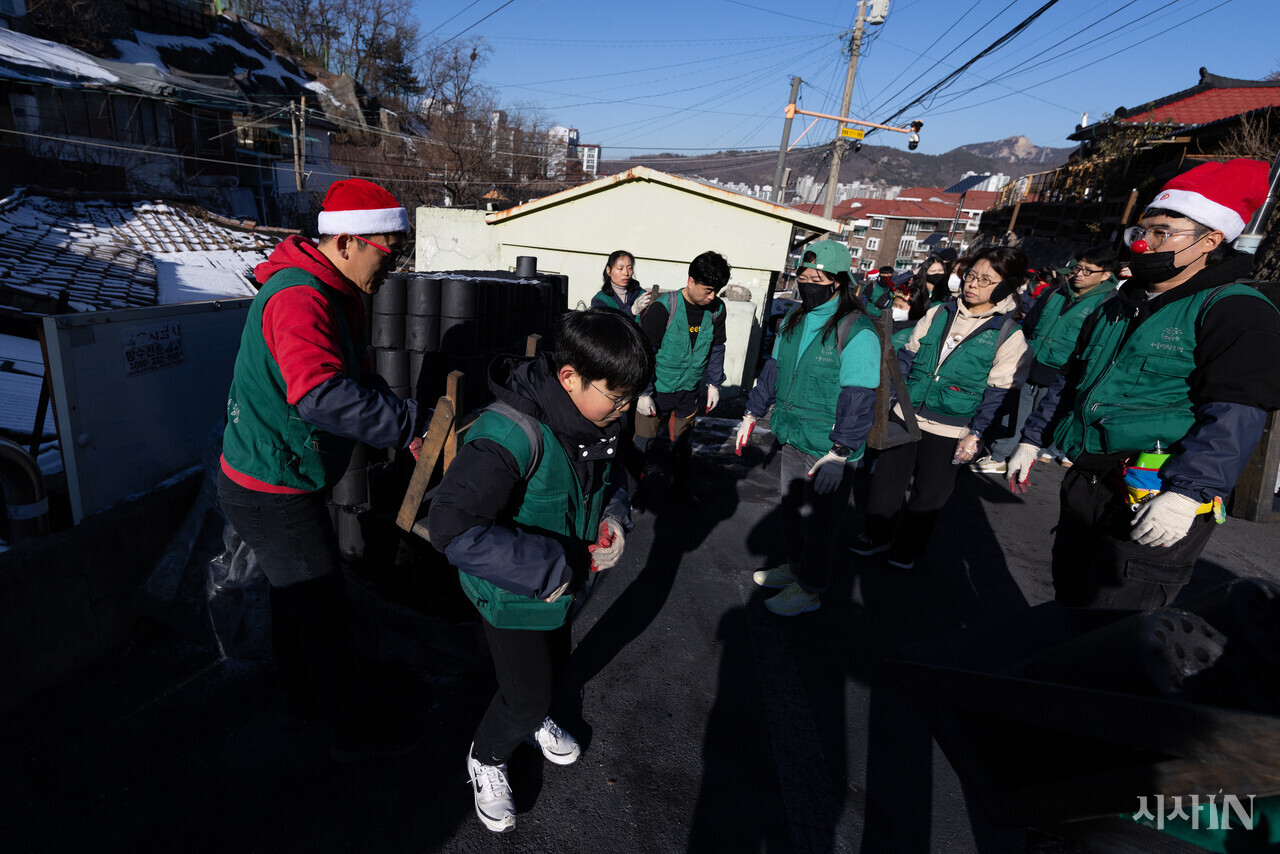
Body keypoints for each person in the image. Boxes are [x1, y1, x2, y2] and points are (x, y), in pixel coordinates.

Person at [1008, 159, 1280, 609]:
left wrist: (1187, 493)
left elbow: (1236, 412)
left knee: (1120, 611)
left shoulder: (1235, 310)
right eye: (1142, 231)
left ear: (1211, 240)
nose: (1144, 243)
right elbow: (1075, 378)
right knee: (1070, 591)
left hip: (1156, 489)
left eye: (1162, 234)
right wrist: (1032, 439)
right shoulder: (1116, 305)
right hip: (1088, 476)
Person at [216, 178, 422, 762]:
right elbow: (321, 395)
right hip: (271, 486)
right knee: (325, 611)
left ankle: (298, 701)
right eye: (390, 249)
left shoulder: (335, 289)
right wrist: (407, 424)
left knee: (296, 598)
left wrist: (397, 412)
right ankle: (356, 731)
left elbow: (348, 375)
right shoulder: (301, 298)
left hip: (278, 471)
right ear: (350, 241)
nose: (394, 264)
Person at [426, 308, 653, 833]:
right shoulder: (511, 433)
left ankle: (531, 717)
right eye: (616, 396)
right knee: (525, 691)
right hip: (513, 592)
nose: (623, 410)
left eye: (629, 398)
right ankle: (487, 755)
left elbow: (613, 481)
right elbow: (452, 528)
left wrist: (615, 519)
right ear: (570, 377)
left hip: (564, 586)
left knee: (552, 667)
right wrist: (554, 569)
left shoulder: (594, 420)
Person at [851, 246, 1032, 569]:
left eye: (985, 280)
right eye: (971, 276)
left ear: (1006, 286)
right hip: (906, 415)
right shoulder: (939, 313)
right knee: (886, 481)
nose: (972, 284)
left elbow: (999, 392)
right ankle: (875, 535)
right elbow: (906, 357)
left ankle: (908, 547)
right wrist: (891, 400)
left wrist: (976, 435)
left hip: (952, 427)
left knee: (930, 493)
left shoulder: (1008, 334)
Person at [736, 240, 880, 615]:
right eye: (803, 276)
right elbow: (774, 370)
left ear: (838, 281)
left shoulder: (856, 330)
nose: (808, 283)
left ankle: (811, 588)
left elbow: (859, 395)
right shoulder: (793, 319)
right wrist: (752, 413)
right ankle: (796, 568)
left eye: (817, 278)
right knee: (792, 511)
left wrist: (841, 452)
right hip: (793, 434)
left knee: (820, 524)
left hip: (829, 448)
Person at [974, 244, 1120, 474]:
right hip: (1030, 364)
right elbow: (1030, 324)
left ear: (1106, 275)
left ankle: (1032, 457)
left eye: (1088, 271)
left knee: (1046, 419)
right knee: (1013, 415)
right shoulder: (1054, 293)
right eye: (1078, 268)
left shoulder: (1108, 305)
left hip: (1063, 373)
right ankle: (999, 456)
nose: (1079, 274)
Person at [634, 251, 730, 502]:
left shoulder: (717, 310)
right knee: (641, 445)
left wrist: (713, 383)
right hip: (657, 390)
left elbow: (717, 348)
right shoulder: (663, 308)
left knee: (682, 446)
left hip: (688, 391)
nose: (713, 297)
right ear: (691, 282)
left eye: (717, 291)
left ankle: (679, 492)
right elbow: (643, 353)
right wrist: (643, 392)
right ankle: (630, 494)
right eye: (708, 290)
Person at [590, 249, 653, 319]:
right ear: (608, 270)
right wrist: (632, 310)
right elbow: (606, 324)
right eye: (620, 268)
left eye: (630, 268)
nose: (626, 273)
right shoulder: (600, 300)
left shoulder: (641, 295)